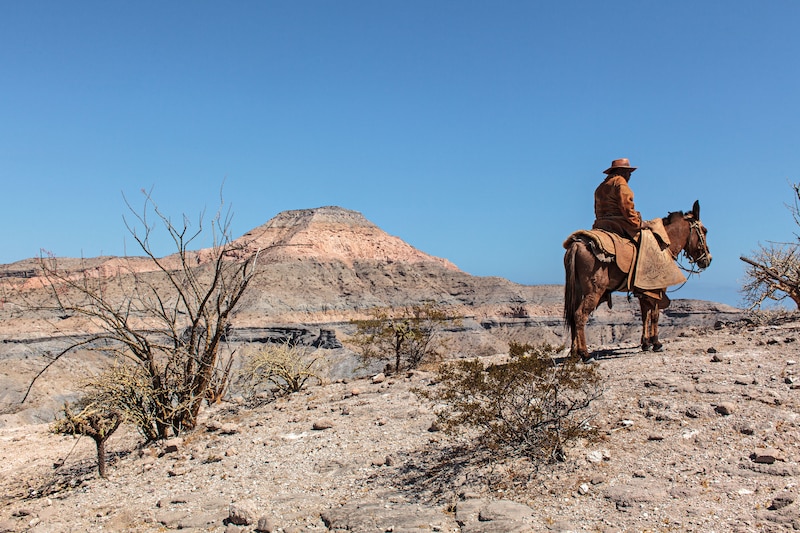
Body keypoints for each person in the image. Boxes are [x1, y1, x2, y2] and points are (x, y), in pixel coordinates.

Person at [592, 158, 642, 241]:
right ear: (622, 171)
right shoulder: (620, 181)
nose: (629, 175)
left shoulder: (600, 187)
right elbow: (626, 206)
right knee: (646, 239)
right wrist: (637, 223)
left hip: (600, 224)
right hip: (619, 223)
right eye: (628, 172)